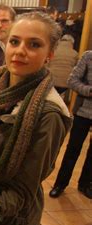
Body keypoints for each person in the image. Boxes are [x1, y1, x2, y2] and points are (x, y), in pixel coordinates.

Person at [0, 11, 72, 225]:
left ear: (50, 54)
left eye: (34, 44)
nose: (20, 50)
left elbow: (21, 194)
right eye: (15, 41)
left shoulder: (48, 114)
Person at [49, 50, 92, 199]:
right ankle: (60, 184)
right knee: (73, 149)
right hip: (82, 112)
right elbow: (72, 80)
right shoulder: (88, 56)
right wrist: (89, 90)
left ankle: (85, 184)